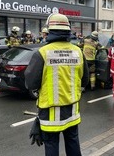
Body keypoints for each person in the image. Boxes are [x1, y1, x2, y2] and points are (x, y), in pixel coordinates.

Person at [25, 13, 89, 156]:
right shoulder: (78, 51)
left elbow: (30, 83)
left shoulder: (42, 53)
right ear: (68, 31)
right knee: (73, 142)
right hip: (72, 109)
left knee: (52, 145)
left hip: (50, 113)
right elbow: (84, 81)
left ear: (49, 31)